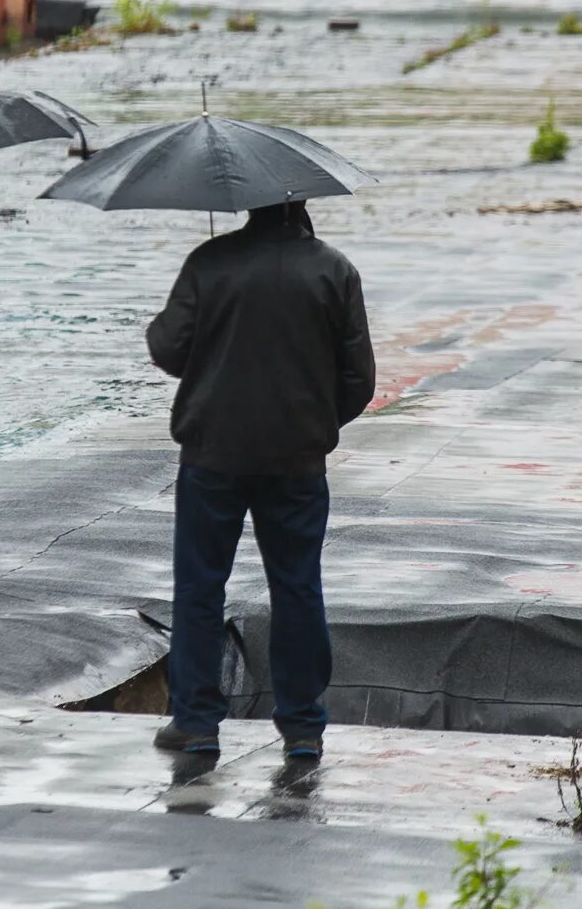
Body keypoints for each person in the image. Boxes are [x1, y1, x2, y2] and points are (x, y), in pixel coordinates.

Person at [145, 199, 375, 759]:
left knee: (200, 587)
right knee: (297, 587)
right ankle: (301, 727)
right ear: (302, 202)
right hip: (296, 460)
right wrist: (316, 422)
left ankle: (197, 721)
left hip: (212, 455)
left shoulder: (209, 261)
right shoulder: (335, 270)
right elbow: (360, 379)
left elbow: (166, 348)